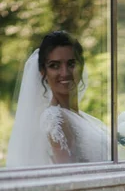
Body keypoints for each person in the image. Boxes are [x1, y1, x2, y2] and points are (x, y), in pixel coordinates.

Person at [6, 31, 108, 167]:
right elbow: (69, 178)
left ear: (81, 66)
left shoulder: (79, 117)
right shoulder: (55, 119)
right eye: (54, 65)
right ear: (43, 72)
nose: (64, 73)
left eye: (71, 64)